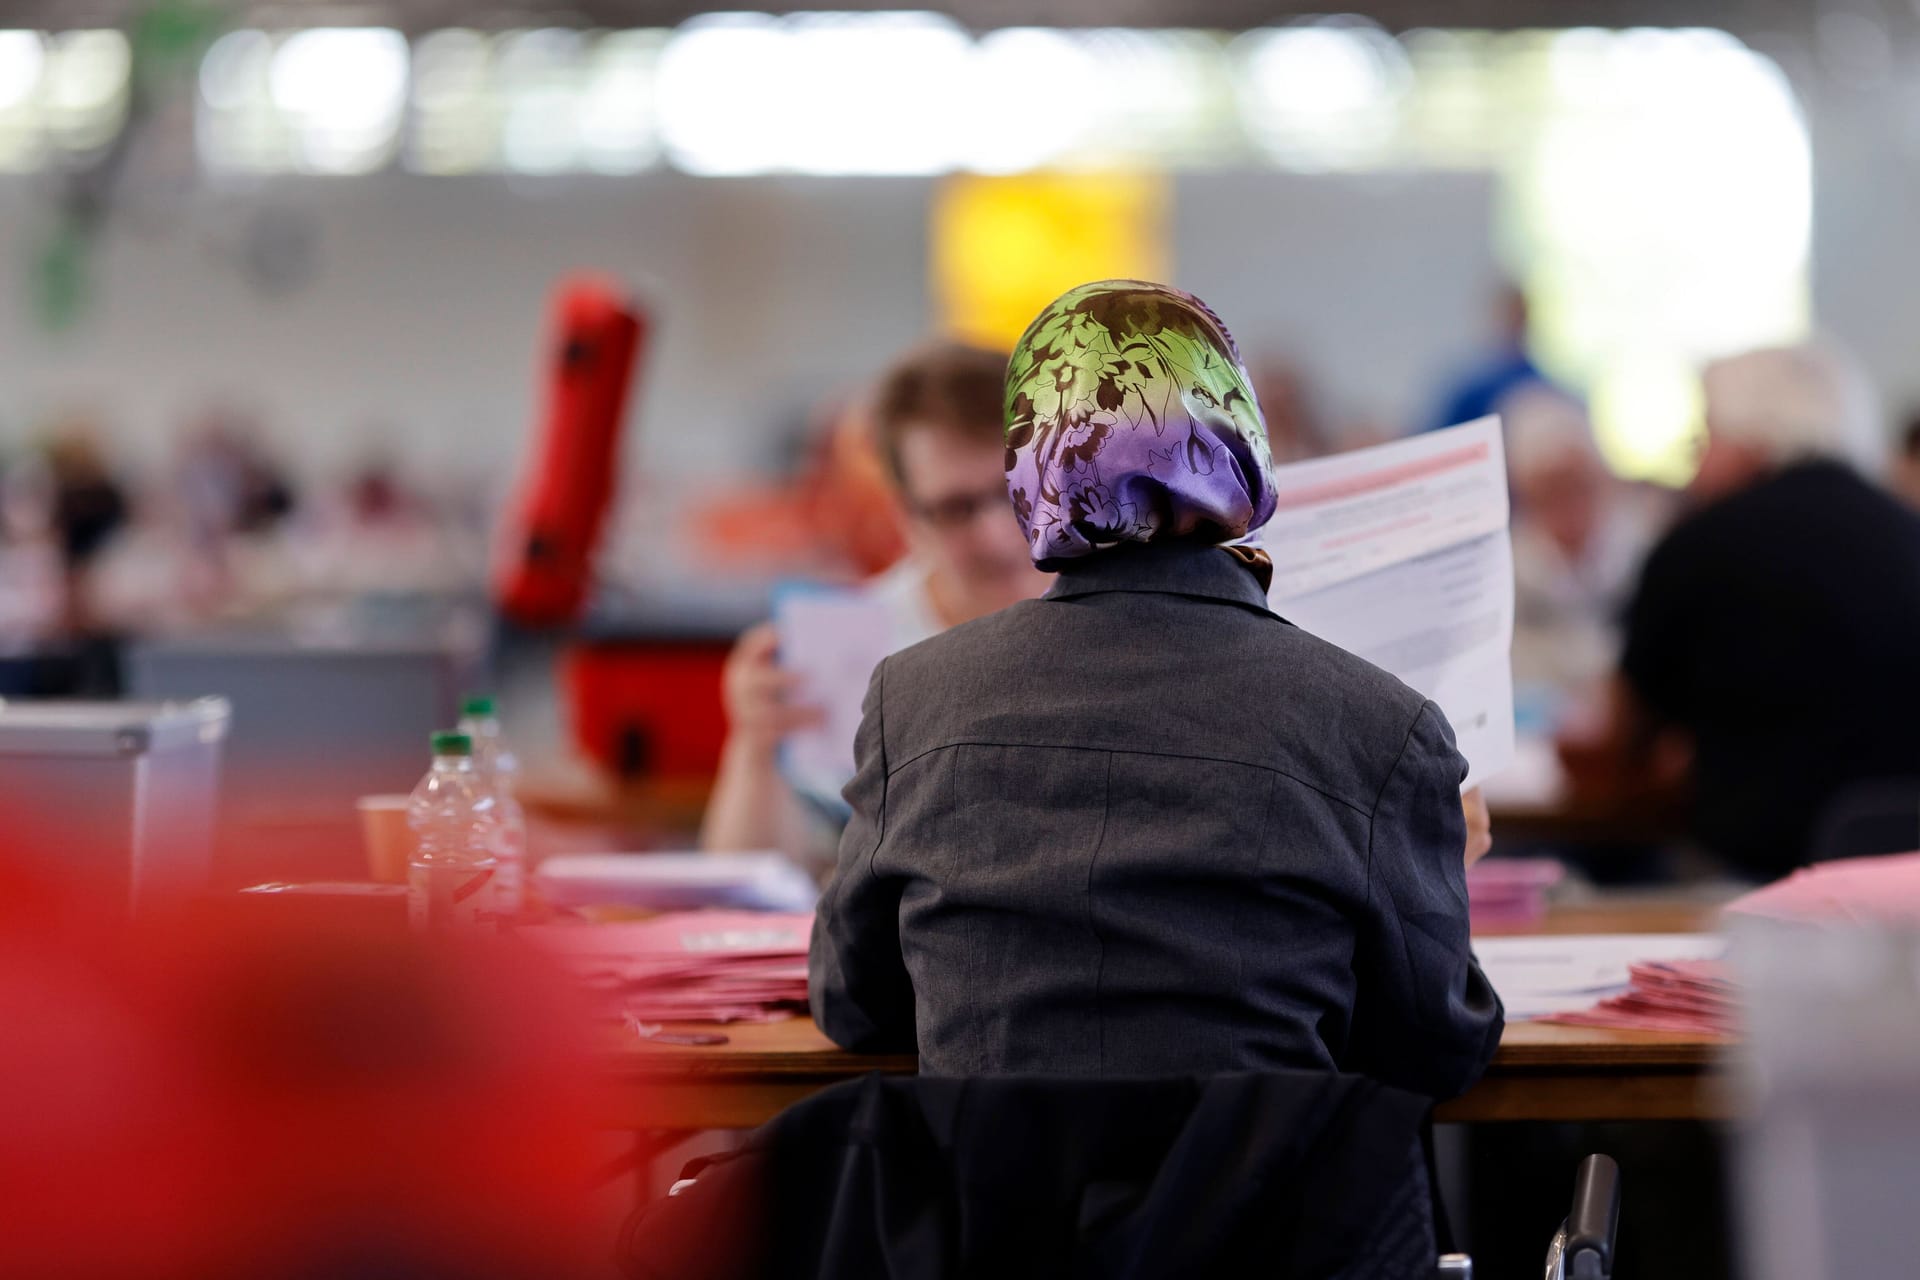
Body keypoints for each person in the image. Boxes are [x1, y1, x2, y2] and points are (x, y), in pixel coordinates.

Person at [810, 280, 1502, 1101]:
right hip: (1272, 1223)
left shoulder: (912, 701)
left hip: (1003, 1224)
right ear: (1242, 445)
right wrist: (1437, 872)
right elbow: (1435, 1050)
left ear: (1030, 470)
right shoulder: (1383, 726)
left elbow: (853, 1003)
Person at [1558, 342, 1920, 879]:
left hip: (1740, 879)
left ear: (1751, 438)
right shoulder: (1907, 530)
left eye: (1705, 436)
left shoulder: (1699, 544)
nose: (1695, 462)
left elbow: (1620, 739)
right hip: (1898, 883)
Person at [700, 342, 1052, 858]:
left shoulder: (1138, 617)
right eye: (956, 509)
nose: (997, 535)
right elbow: (753, 880)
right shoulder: (852, 644)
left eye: (1017, 491)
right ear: (906, 515)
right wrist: (755, 746)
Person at [1503, 385, 1661, 706]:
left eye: (1576, 485)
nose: (1568, 504)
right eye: (1550, 491)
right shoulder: (1509, 567)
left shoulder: (1643, 544)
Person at [1424, 281, 1559, 434]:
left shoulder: (1541, 388)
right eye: (1509, 314)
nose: (1513, 322)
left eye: (1518, 315)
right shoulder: (1471, 389)